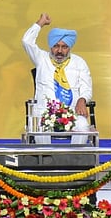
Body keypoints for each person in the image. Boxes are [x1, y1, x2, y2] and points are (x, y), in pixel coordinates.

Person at [22, 13, 93, 144]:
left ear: (69, 47)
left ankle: (76, 160)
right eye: (56, 46)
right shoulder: (41, 59)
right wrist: (40, 23)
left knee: (83, 126)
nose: (59, 51)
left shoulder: (79, 63)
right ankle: (44, 160)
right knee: (39, 126)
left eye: (64, 47)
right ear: (51, 47)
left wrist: (82, 100)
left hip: (72, 111)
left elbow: (86, 88)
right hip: (45, 111)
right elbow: (27, 41)